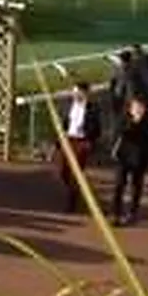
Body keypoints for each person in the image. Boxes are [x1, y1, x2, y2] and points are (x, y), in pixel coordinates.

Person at [109, 96, 148, 227]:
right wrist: (133, 122)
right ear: (130, 108)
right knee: (119, 184)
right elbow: (121, 132)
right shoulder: (124, 119)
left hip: (140, 157)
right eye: (136, 107)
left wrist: (141, 125)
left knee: (136, 185)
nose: (138, 110)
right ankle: (116, 213)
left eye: (141, 107)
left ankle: (133, 212)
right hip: (124, 156)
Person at [58, 81, 102, 213]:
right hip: (68, 140)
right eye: (74, 92)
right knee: (63, 171)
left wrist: (89, 142)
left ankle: (72, 202)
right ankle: (76, 189)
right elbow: (64, 123)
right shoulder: (68, 106)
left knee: (75, 172)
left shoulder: (93, 109)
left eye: (78, 92)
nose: (75, 95)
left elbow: (97, 129)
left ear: (86, 93)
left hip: (82, 142)